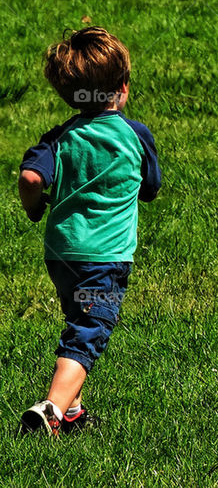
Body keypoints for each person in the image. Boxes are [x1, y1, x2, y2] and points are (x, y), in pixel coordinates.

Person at [17, 26, 161, 436]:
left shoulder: (59, 138)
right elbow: (151, 189)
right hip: (106, 256)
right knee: (88, 332)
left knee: (78, 319)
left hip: (61, 254)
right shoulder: (135, 135)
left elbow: (30, 179)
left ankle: (73, 415)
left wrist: (33, 209)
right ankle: (51, 409)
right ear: (124, 87)